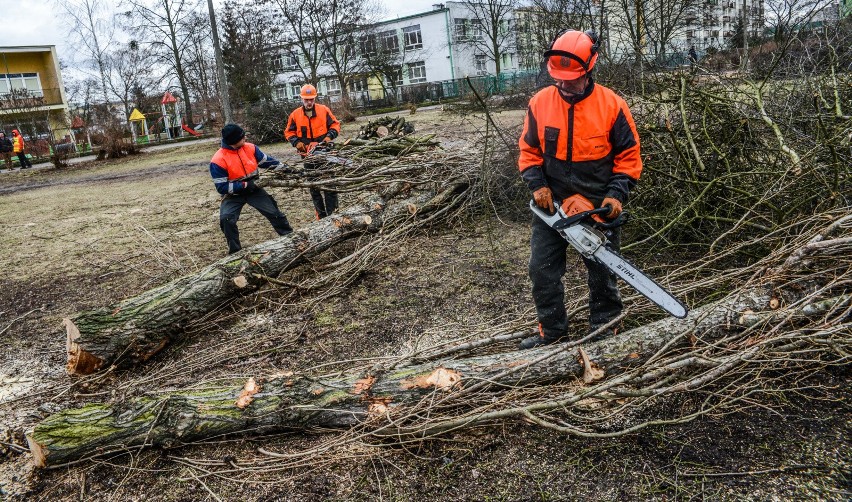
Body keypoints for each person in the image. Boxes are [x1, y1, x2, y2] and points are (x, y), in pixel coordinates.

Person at [517, 29, 643, 349]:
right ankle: (553, 331)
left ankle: (605, 328)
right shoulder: (540, 103)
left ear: (589, 68)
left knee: (602, 273)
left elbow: (629, 158)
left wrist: (616, 194)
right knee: (541, 270)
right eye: (558, 77)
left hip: (596, 203)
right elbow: (529, 152)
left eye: (570, 78)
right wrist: (538, 186)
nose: (563, 84)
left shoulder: (613, 106)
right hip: (553, 205)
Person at [210, 124, 293, 254]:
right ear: (233, 141)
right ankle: (235, 252)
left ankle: (290, 238)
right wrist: (245, 185)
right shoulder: (218, 160)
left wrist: (286, 169)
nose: (245, 138)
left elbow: (268, 162)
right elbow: (222, 187)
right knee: (226, 219)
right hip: (233, 195)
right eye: (242, 137)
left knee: (274, 213)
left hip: (255, 189)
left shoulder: (251, 148)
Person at [285, 84, 341, 219]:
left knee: (329, 184)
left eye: (311, 99)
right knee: (314, 187)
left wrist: (328, 138)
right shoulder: (295, 114)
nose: (309, 102)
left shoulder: (324, 110)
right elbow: (289, 132)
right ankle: (320, 215)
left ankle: (333, 213)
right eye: (306, 99)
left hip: (325, 153)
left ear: (315, 98)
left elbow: (335, 124)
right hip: (307, 156)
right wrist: (297, 143)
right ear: (302, 99)